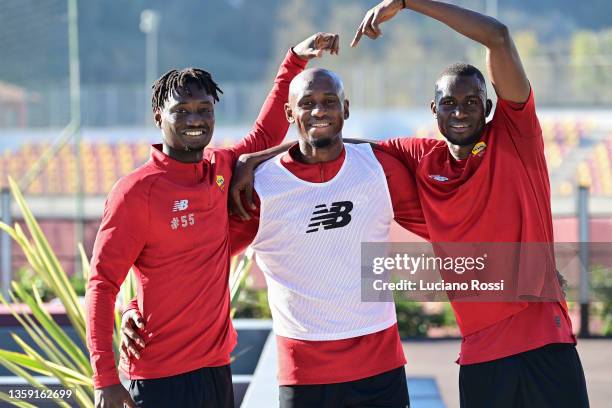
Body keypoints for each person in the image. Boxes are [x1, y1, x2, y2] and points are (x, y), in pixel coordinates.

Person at [122, 66, 429, 408]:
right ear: (289, 112)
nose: (319, 111)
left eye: (329, 101)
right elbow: (194, 262)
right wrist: (135, 307)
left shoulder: (379, 169)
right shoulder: (259, 187)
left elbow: (447, 226)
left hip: (380, 368)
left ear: (346, 108)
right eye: (307, 103)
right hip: (304, 375)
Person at [351, 1, 589, 407]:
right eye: (449, 103)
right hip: (481, 356)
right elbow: (337, 148)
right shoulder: (420, 157)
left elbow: (498, 36)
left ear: (489, 107)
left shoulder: (516, 138)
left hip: (545, 345)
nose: (460, 111)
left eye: (471, 102)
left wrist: (408, 2)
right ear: (434, 110)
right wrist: (256, 160)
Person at [85, 32, 339, 408]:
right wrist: (105, 379)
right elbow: (102, 284)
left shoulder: (220, 168)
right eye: (182, 111)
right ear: (159, 117)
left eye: (204, 110)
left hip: (216, 370)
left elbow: (266, 133)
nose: (195, 119)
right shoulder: (135, 192)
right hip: (157, 378)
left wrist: (295, 60)